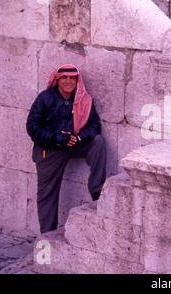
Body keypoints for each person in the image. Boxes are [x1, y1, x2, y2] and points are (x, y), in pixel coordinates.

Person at [26, 64, 106, 234]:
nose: (68, 81)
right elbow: (33, 127)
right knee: (47, 193)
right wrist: (56, 137)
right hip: (50, 148)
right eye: (64, 78)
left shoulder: (83, 99)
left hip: (74, 144)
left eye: (72, 78)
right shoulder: (45, 98)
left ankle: (98, 194)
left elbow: (94, 126)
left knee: (98, 142)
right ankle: (48, 235)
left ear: (77, 81)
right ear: (57, 80)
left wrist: (78, 138)